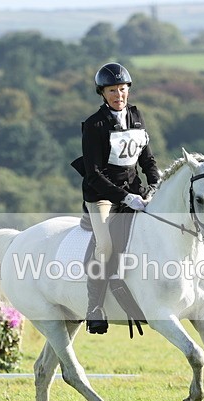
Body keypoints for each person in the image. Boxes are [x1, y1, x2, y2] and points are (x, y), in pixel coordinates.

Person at [75, 62, 160, 335]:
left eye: (122, 89)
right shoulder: (94, 124)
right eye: (112, 90)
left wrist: (155, 182)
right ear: (102, 93)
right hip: (101, 196)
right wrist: (125, 198)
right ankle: (94, 308)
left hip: (134, 191)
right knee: (105, 246)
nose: (118, 95)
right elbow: (94, 174)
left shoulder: (137, 116)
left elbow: (147, 159)